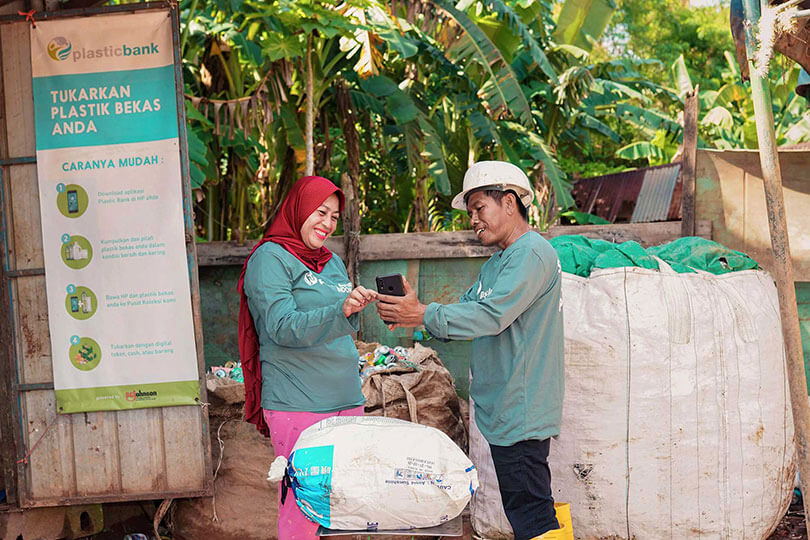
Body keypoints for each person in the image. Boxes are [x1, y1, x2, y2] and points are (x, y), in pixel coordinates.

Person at [376, 161, 564, 540]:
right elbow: (466, 311)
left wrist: (423, 314)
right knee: (527, 506)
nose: (473, 220)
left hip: (521, 405)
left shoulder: (531, 254)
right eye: (471, 212)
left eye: (480, 208)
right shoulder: (499, 262)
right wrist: (415, 316)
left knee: (532, 512)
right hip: (505, 405)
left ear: (509, 202)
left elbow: (490, 316)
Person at [237, 176, 376, 540]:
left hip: (347, 400)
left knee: (344, 508)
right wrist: (340, 310)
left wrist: (354, 306)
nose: (327, 224)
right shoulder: (269, 258)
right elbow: (282, 326)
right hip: (299, 404)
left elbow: (338, 321)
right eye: (320, 212)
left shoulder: (330, 262)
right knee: (305, 510)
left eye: (334, 216)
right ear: (298, 208)